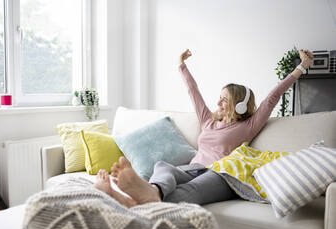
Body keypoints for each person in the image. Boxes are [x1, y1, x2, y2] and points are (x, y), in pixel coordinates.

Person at [94, 49, 314, 208]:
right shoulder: (208, 120)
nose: (218, 103)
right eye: (219, 97)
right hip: (192, 169)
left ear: (239, 104)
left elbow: (272, 98)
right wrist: (182, 65)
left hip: (220, 175)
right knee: (163, 166)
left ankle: (127, 198)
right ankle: (151, 192)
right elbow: (193, 92)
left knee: (189, 192)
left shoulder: (247, 126)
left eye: (224, 100)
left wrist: (301, 68)